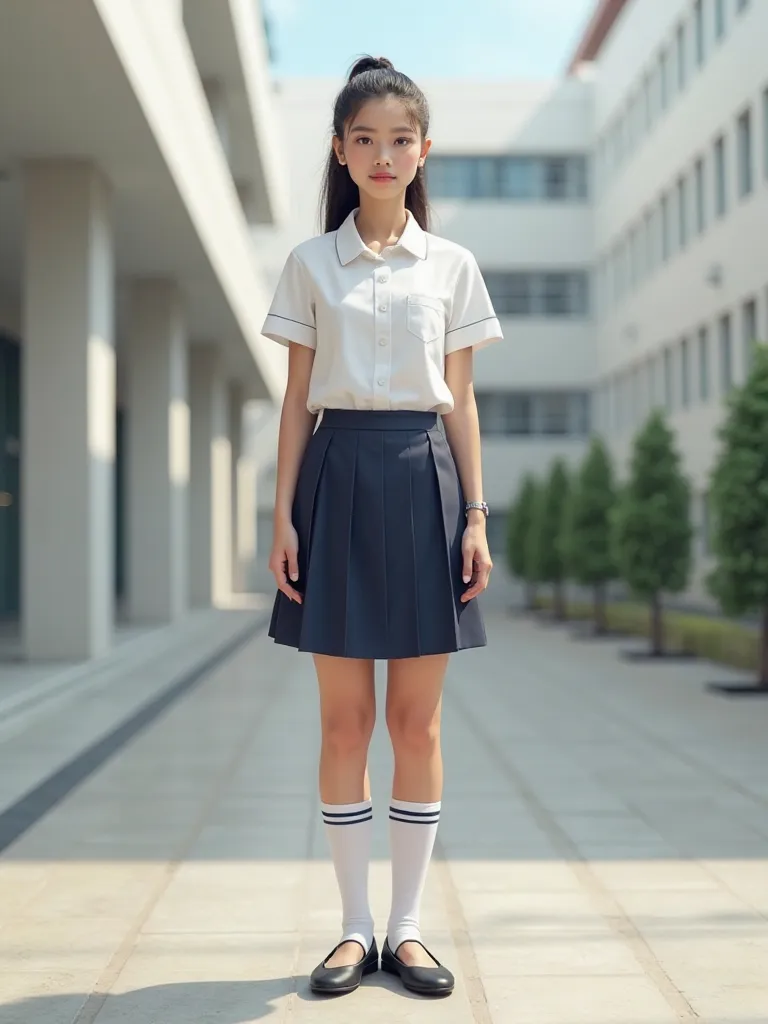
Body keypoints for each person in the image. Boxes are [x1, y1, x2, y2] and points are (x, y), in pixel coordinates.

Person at [262, 55, 502, 999]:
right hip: (334, 475)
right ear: (340, 149)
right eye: (363, 138)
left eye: (400, 138)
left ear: (423, 150)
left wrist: (477, 516)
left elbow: (464, 406)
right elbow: (292, 404)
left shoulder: (453, 266)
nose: (382, 153)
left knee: (416, 720)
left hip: (426, 483)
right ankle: (353, 930)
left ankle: (407, 929)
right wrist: (282, 514)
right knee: (343, 718)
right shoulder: (310, 262)